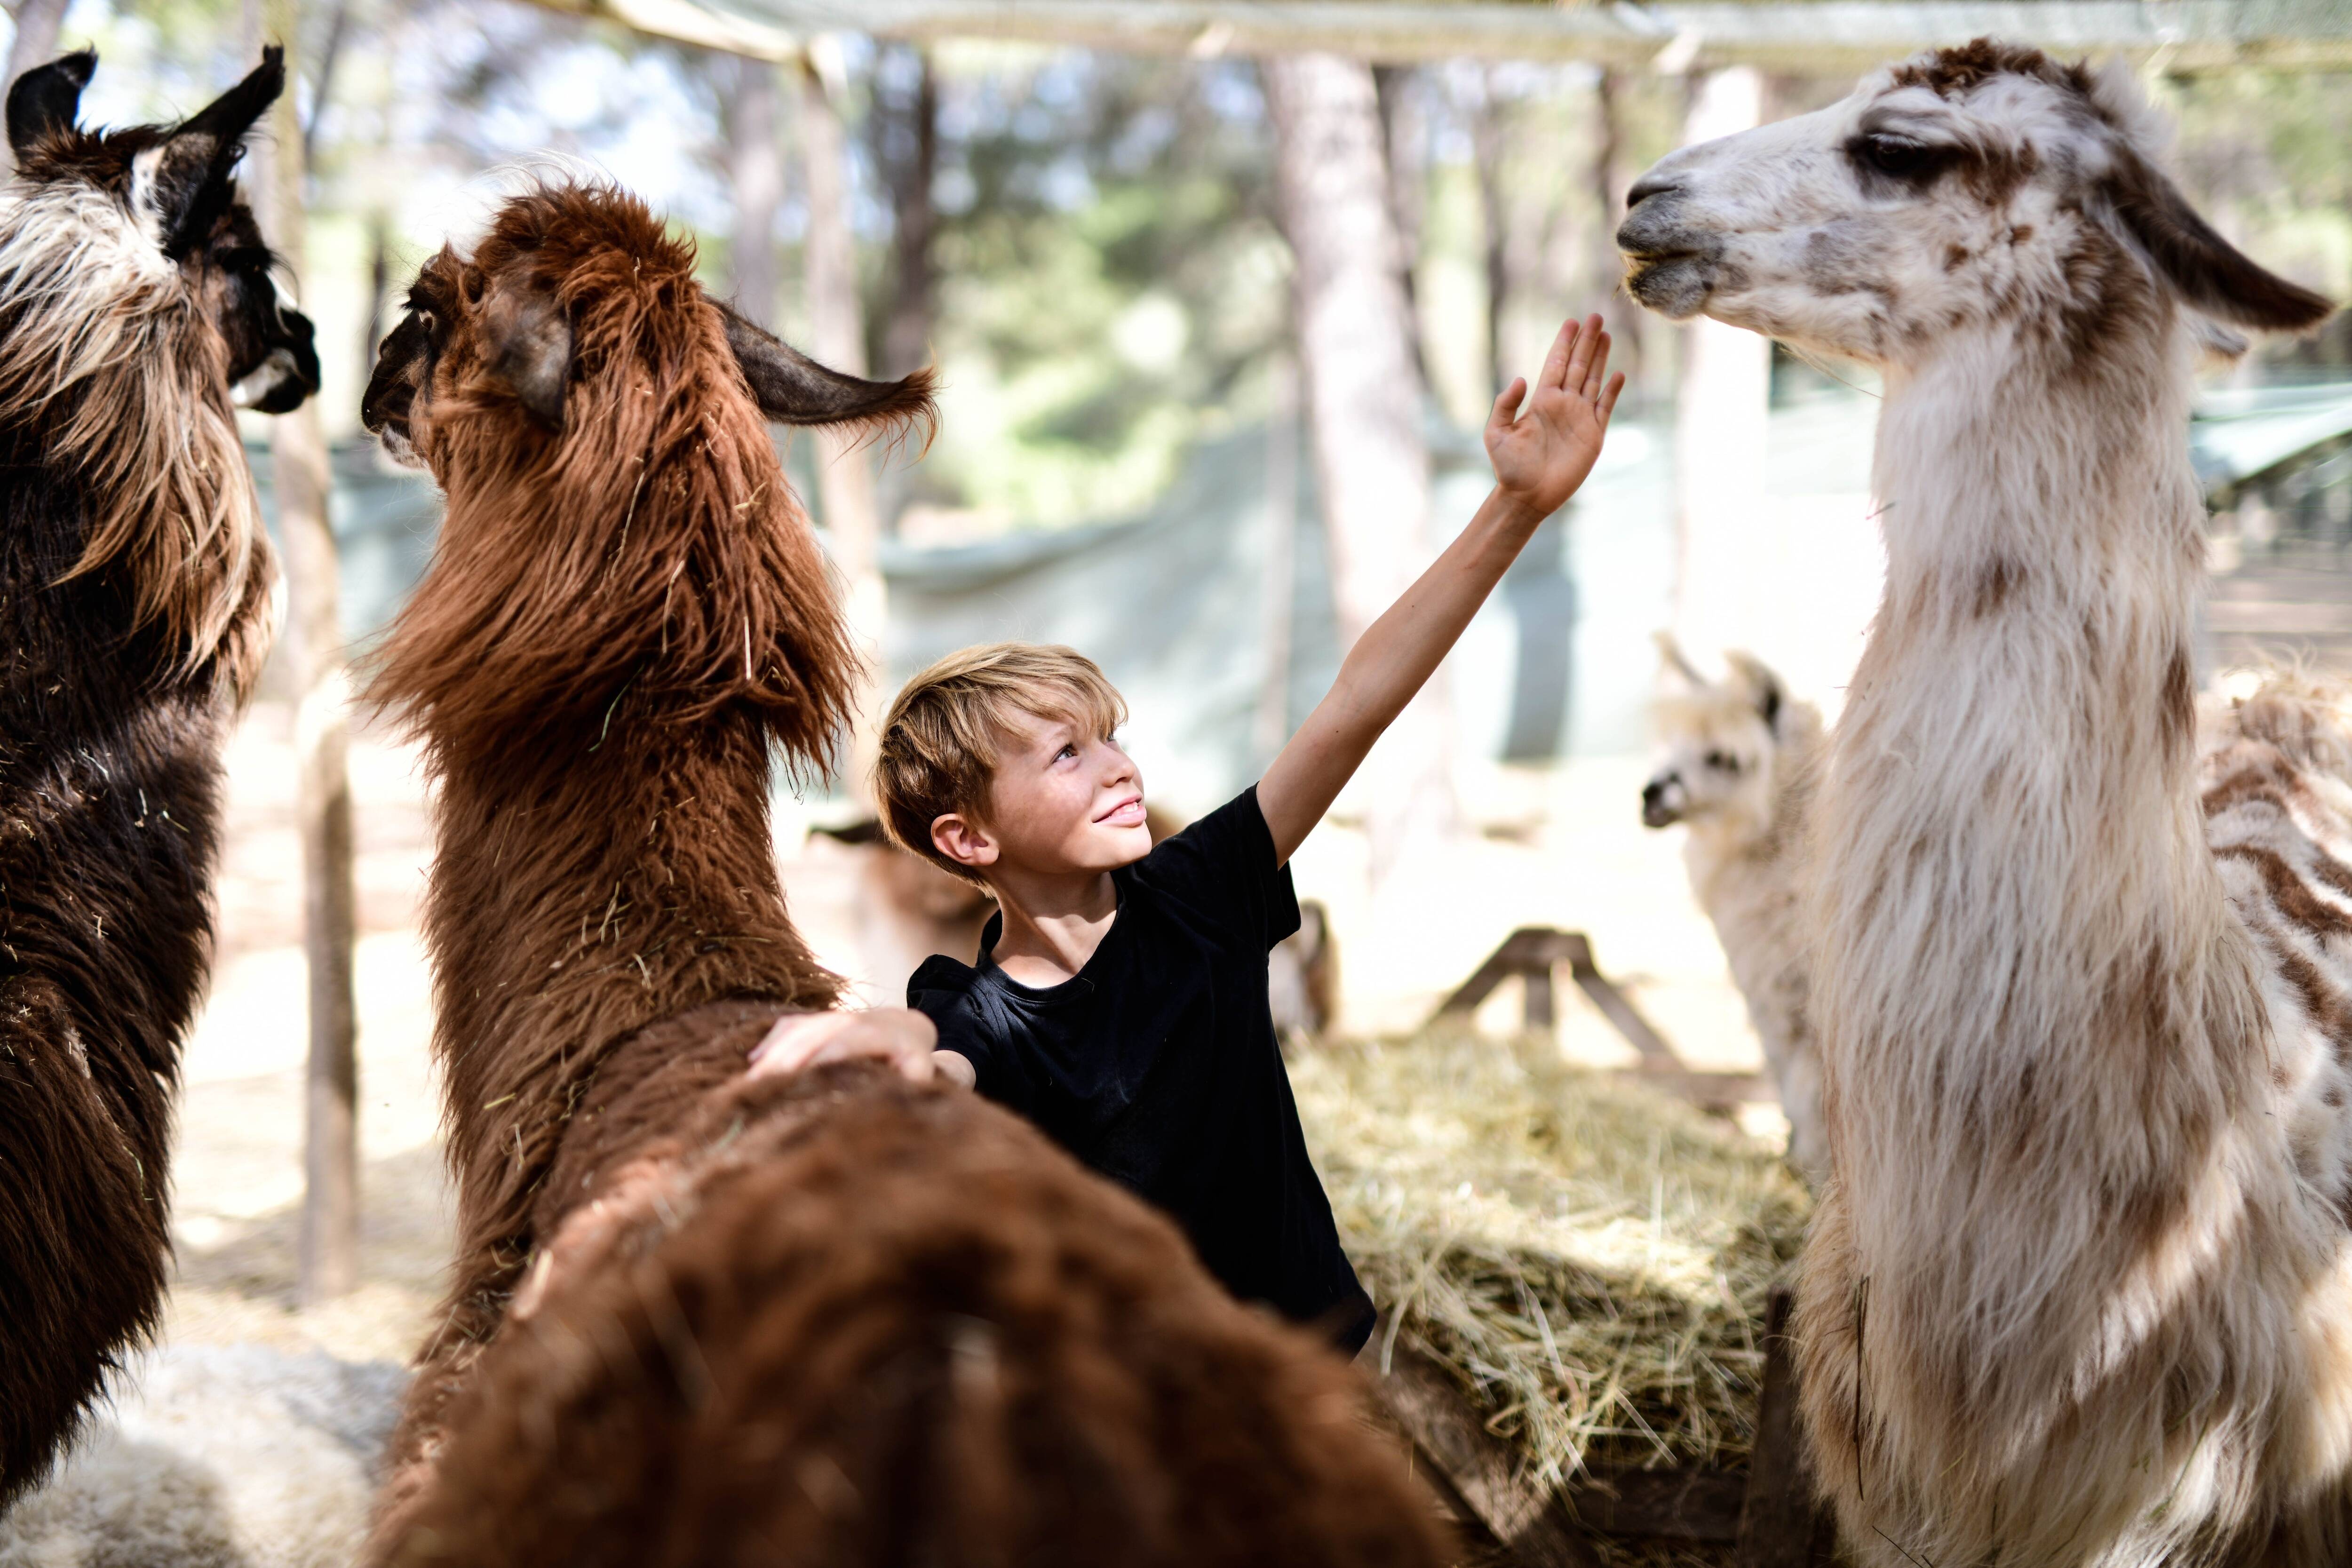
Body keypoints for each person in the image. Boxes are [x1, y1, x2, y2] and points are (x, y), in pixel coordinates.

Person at [751, 314, 1624, 1352]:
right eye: (1065, 754)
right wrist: (871, 1045)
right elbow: (930, 1059)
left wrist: (1515, 508)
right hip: (1152, 1420)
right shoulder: (975, 1017)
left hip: (1312, 1379)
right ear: (969, 839)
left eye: (1111, 737)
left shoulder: (1199, 891)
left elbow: (1355, 702)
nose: (1121, 765)